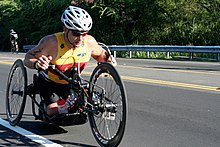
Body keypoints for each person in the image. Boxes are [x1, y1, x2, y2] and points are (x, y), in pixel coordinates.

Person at [23, 6, 117, 117]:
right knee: (52, 111)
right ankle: (50, 108)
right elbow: (28, 58)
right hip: (49, 82)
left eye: (84, 33)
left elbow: (102, 56)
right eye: (76, 34)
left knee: (85, 105)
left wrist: (110, 62)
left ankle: (69, 104)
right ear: (65, 29)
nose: (81, 38)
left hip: (71, 84)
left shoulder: (89, 42)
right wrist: (37, 64)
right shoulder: (51, 42)